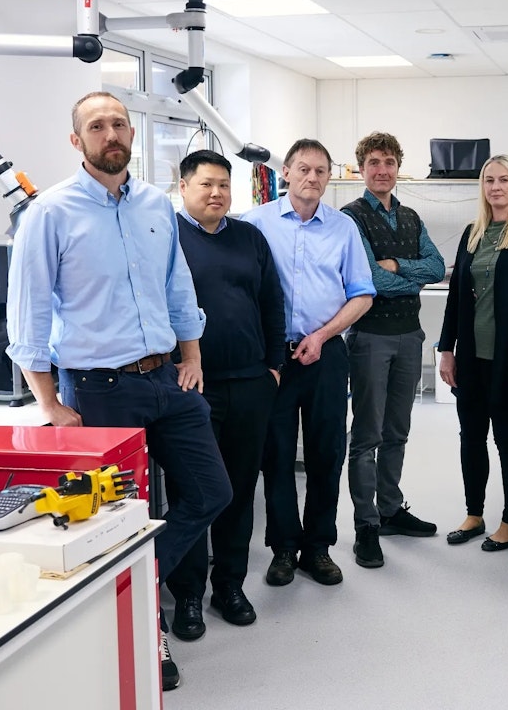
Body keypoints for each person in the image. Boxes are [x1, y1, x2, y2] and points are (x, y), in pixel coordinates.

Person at [5, 91, 232, 691]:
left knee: (212, 490)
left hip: (166, 377)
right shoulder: (48, 213)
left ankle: (140, 582)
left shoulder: (155, 204)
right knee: (119, 518)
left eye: (119, 124)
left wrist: (191, 355)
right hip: (98, 389)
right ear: (77, 140)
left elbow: (178, 286)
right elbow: (28, 315)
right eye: (97, 126)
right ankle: (145, 631)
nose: (111, 134)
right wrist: (49, 405)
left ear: (131, 135)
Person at [243, 138, 374, 589]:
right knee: (276, 453)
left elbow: (362, 294)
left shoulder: (344, 228)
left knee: (326, 452)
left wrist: (322, 335)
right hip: (273, 358)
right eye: (303, 169)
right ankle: (283, 548)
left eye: (320, 171)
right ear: (286, 174)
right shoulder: (255, 224)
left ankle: (318, 547)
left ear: (329, 177)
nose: (312, 178)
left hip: (326, 352)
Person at [166, 150, 286, 639]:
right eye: (206, 184)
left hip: (251, 382)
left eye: (224, 185)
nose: (216, 193)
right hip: (193, 388)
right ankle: (188, 594)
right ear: (183, 187)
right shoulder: (168, 237)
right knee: (195, 492)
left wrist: (273, 367)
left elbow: (272, 302)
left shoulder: (249, 237)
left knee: (238, 489)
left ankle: (229, 585)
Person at [341, 132, 445, 569]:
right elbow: (370, 279)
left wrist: (400, 265)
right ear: (361, 169)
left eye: (389, 162)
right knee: (367, 436)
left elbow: (437, 267)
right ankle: (365, 526)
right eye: (373, 162)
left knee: (397, 431)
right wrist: (407, 281)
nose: (382, 170)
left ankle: (389, 510)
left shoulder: (411, 217)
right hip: (369, 337)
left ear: (398, 167)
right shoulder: (351, 218)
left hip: (409, 335)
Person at [438, 155, 508, 550]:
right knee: (471, 436)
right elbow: (456, 295)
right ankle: (474, 514)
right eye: (489, 180)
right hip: (471, 354)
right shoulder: (472, 232)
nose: (496, 187)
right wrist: (446, 348)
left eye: (504, 180)